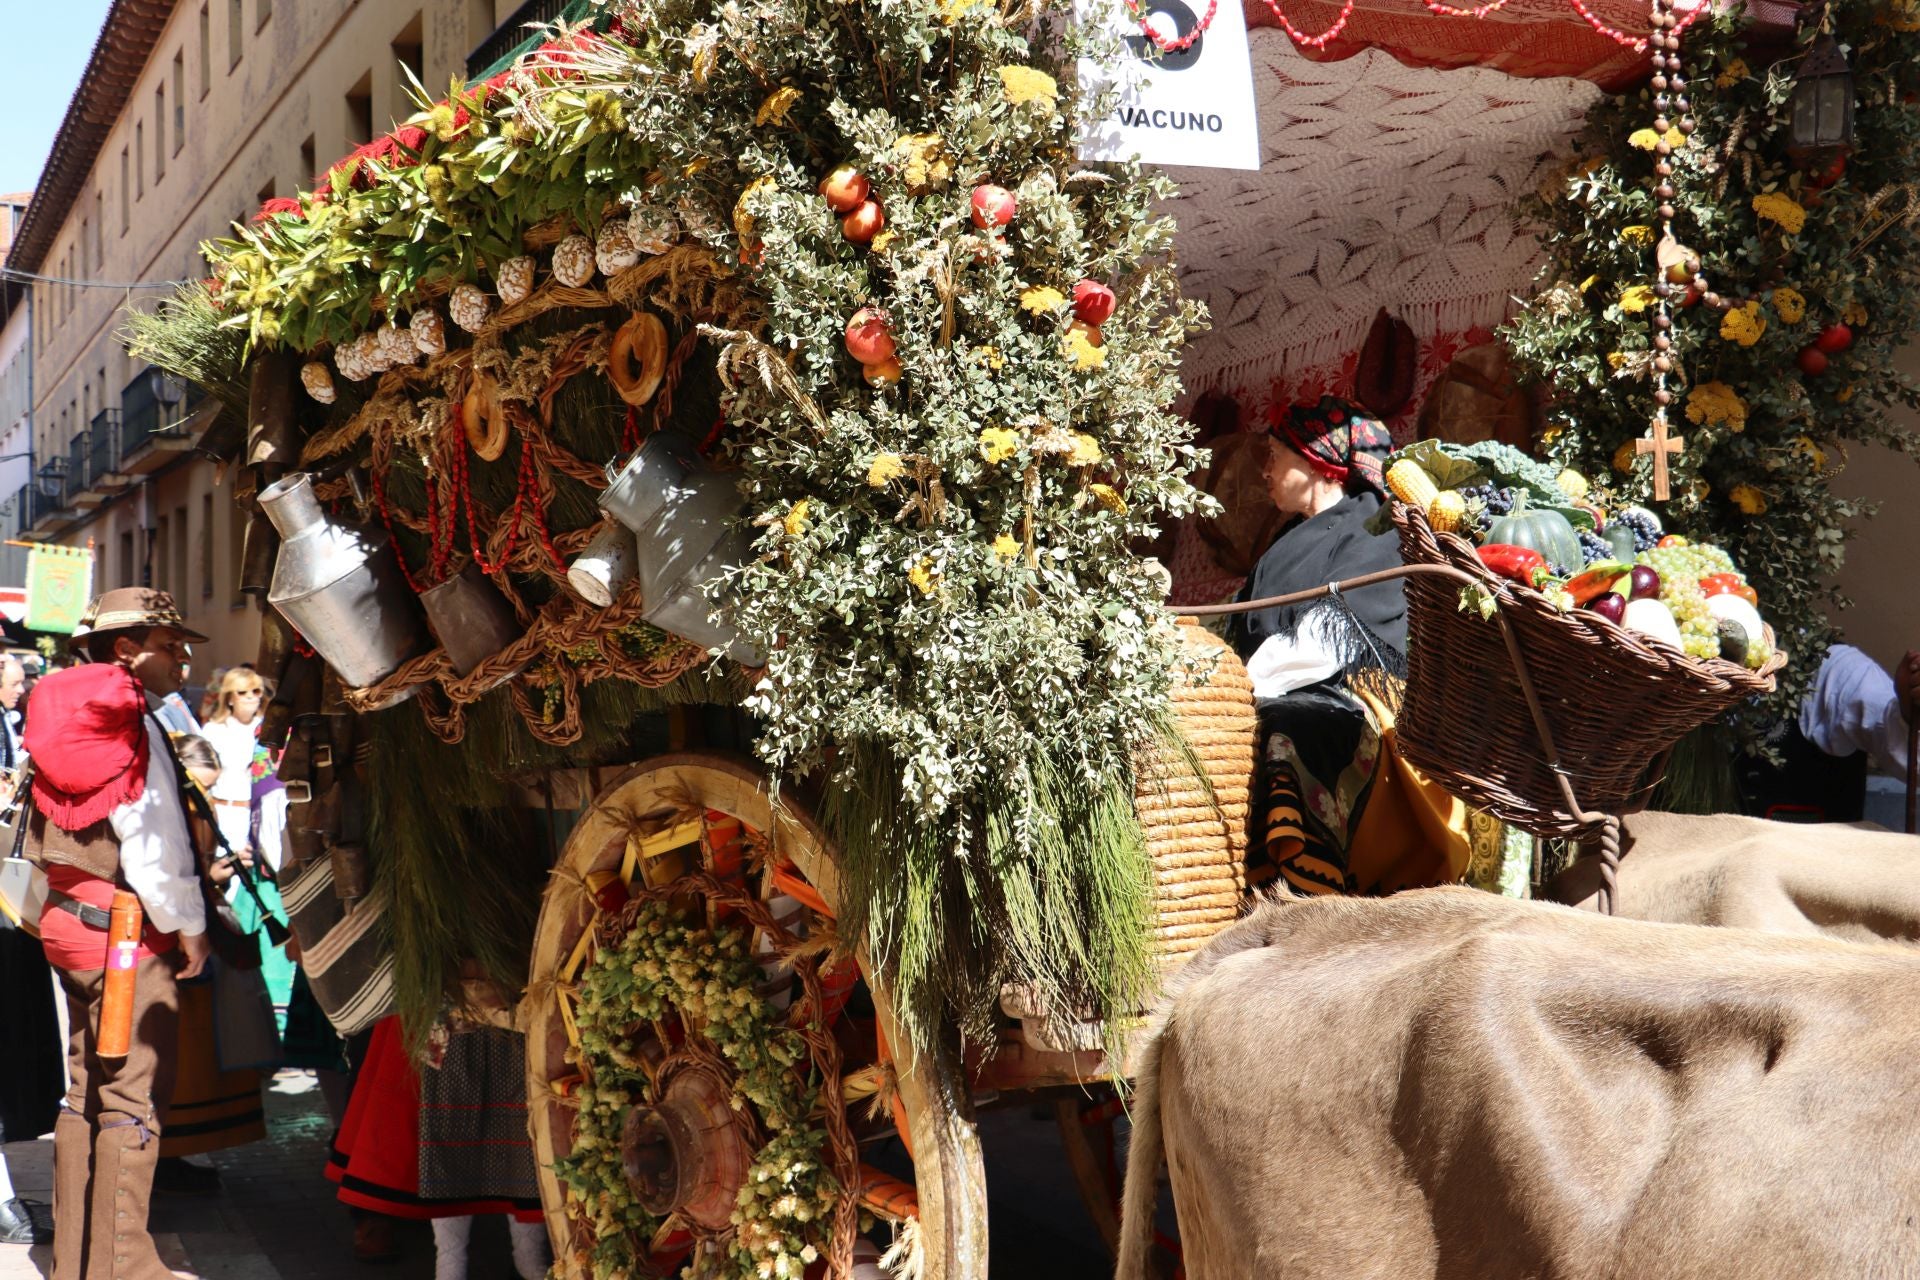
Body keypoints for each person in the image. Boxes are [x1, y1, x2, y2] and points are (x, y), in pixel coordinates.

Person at [22, 588, 211, 1280]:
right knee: (132, 1099)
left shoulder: (58, 707)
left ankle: (77, 1260)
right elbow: (154, 844)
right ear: (128, 650)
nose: (184, 660)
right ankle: (124, 1266)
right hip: (126, 933)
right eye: (172, 646)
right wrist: (191, 927)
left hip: (68, 923)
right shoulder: (129, 719)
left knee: (83, 1094)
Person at [1233, 397, 1468, 897]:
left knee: (1287, 727)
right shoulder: (1281, 542)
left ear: (1316, 458)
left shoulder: (1375, 525)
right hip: (1269, 687)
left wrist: (1237, 689)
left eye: (1275, 454)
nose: (1265, 470)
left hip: (1353, 695)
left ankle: (1302, 881)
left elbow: (1331, 635)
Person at [149, 735, 277, 1193]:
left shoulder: (185, 799)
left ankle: (174, 1153)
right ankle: (164, 1154)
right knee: (183, 1053)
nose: (207, 799)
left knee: (196, 1051)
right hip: (179, 934)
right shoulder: (171, 801)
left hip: (195, 925)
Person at [201, 670, 268, 860]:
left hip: (260, 816)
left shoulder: (269, 732)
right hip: (225, 814)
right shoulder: (213, 731)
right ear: (229, 698)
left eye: (256, 691)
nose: (250, 697)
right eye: (242, 692)